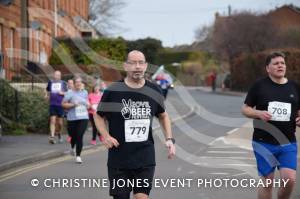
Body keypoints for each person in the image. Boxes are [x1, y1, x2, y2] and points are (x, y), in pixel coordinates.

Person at [94, 50, 176, 199]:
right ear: (126, 66)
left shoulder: (154, 90)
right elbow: (98, 116)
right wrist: (105, 136)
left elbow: (163, 115)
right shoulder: (113, 91)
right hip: (119, 158)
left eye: (141, 63)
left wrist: (169, 139)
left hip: (145, 157)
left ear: (145, 66)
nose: (137, 67)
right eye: (133, 63)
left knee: (141, 197)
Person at [241, 52, 300, 199]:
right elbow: (245, 109)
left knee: (290, 180)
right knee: (267, 182)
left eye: (282, 63)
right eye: (276, 63)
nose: (280, 65)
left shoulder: (294, 87)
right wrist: (258, 113)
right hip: (263, 142)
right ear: (268, 68)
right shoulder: (259, 86)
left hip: (288, 142)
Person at [62, 76, 89, 164]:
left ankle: (78, 156)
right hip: (72, 118)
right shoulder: (69, 93)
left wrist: (88, 105)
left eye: (80, 82)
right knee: (73, 135)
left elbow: (87, 103)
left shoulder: (85, 92)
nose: (78, 83)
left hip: (83, 117)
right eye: (76, 82)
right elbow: (63, 104)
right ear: (73, 83)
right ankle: (72, 147)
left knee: (79, 135)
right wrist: (73, 104)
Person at [45, 70, 67, 144]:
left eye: (58, 75)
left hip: (60, 105)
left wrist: (62, 93)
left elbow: (68, 93)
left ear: (60, 76)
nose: (56, 76)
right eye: (55, 75)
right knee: (53, 121)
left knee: (60, 123)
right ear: (53, 75)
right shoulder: (50, 82)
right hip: (52, 104)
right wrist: (46, 95)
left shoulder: (63, 83)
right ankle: (52, 136)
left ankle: (59, 133)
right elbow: (47, 90)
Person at [66, 78, 75, 143]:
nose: (70, 84)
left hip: (75, 110)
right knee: (69, 124)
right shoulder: (65, 91)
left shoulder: (75, 91)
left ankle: (72, 136)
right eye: (69, 83)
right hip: (67, 109)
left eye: (71, 83)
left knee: (74, 124)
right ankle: (70, 135)